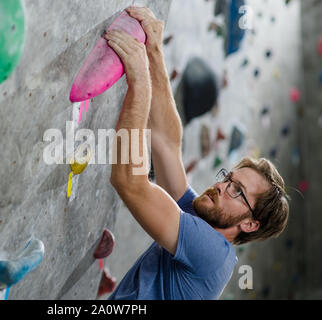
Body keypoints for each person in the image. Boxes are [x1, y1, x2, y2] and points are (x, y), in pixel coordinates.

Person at [104, 6, 290, 300]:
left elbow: (129, 183)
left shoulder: (212, 253)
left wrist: (139, 83)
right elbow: (167, 144)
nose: (220, 187)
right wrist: (154, 53)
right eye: (227, 178)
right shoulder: (203, 218)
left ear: (249, 224)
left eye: (236, 190)